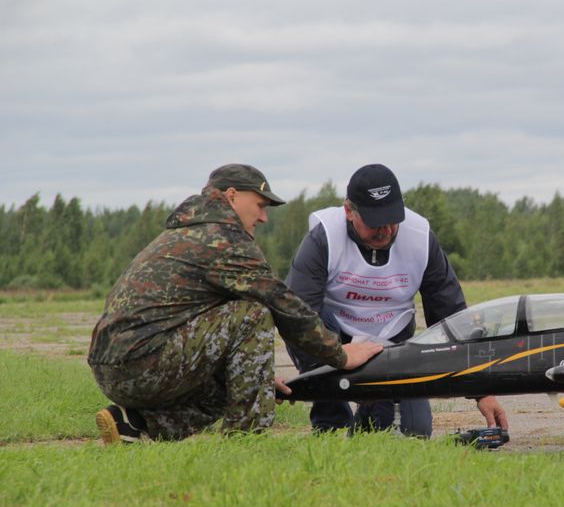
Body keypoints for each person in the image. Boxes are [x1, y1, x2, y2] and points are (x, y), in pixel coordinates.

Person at [88, 163, 382, 444]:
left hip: (116, 366)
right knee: (253, 314)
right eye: (260, 205)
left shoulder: (188, 232)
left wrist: (256, 378)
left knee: (241, 371)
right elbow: (282, 303)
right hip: (141, 365)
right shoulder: (223, 240)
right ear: (232, 196)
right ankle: (247, 437)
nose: (264, 217)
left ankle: (132, 422)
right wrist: (339, 354)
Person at [286, 163, 508, 436]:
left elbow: (451, 316)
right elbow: (295, 315)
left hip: (392, 341)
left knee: (415, 433)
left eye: (392, 220)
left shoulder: (420, 237)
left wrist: (482, 390)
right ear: (349, 211)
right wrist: (338, 360)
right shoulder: (324, 238)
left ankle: (369, 413)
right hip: (334, 339)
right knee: (308, 326)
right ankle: (331, 421)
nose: (385, 230)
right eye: (374, 222)